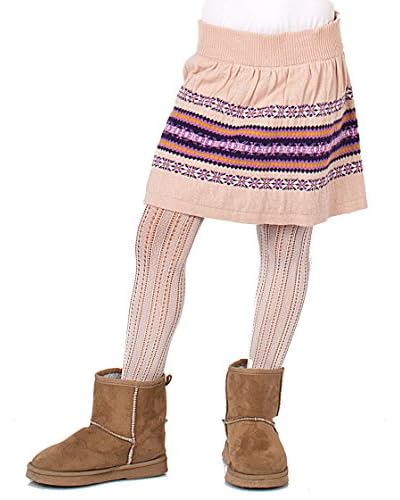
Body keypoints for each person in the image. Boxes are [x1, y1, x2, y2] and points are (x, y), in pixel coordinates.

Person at [26, 0, 367, 489]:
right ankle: (129, 431)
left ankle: (253, 421)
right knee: (159, 235)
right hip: (220, 60)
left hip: (305, 61)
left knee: (286, 235)